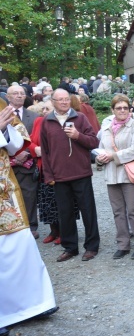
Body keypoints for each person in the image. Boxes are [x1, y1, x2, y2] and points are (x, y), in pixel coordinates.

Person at [0, 101, 58, 336]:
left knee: (20, 243)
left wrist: (3, 130)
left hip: (5, 190)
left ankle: (33, 304)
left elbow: (15, 146)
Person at [40, 89, 101, 262]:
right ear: (52, 102)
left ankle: (91, 246)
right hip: (59, 176)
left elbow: (93, 142)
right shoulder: (47, 121)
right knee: (64, 213)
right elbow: (45, 151)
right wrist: (48, 175)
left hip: (81, 173)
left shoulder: (80, 118)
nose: (64, 102)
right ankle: (70, 247)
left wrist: (77, 136)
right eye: (60, 100)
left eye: (67, 99)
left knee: (88, 211)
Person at [96, 94, 134, 260]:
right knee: (118, 211)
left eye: (125, 107)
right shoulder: (106, 128)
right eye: (118, 108)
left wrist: (112, 157)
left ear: (130, 109)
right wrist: (99, 158)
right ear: (113, 110)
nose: (122, 110)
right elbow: (101, 149)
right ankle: (123, 244)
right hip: (111, 174)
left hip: (129, 174)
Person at [28, 99, 63, 245]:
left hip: (58, 168)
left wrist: (46, 151)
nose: (44, 111)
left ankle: (64, 231)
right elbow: (29, 141)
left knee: (59, 202)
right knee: (46, 202)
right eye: (43, 109)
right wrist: (35, 149)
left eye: (47, 109)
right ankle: (53, 231)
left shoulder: (59, 123)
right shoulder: (38, 122)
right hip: (43, 168)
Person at [7, 85, 40, 237]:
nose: (19, 96)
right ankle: (10, 226)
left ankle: (31, 227)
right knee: (8, 197)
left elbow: (37, 138)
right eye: (15, 93)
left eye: (22, 93)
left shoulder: (33, 116)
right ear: (8, 97)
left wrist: (26, 153)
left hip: (28, 162)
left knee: (29, 195)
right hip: (6, 164)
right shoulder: (2, 115)